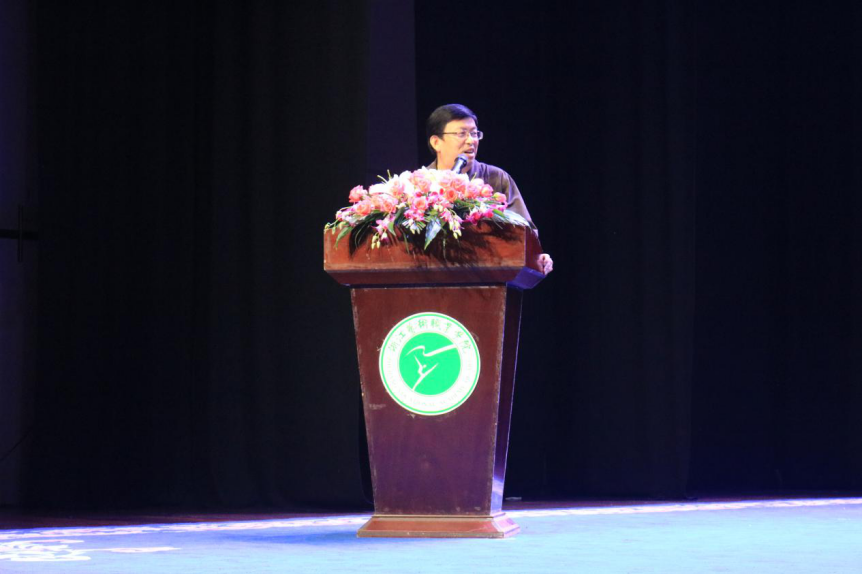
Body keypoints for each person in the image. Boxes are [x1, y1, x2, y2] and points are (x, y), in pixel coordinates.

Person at [426, 104, 553, 275]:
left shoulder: (496, 178)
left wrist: (534, 255)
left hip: (489, 276)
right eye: (461, 134)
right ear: (436, 142)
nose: (471, 140)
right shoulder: (418, 187)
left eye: (474, 134)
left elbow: (525, 230)